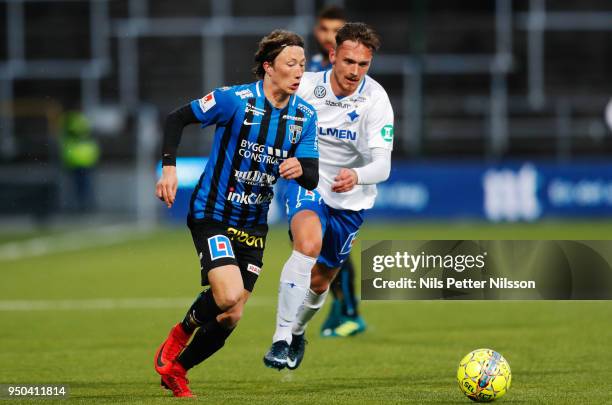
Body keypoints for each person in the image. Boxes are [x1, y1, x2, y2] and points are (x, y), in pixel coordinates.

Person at [153, 30, 319, 397]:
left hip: (253, 223)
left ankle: (178, 370)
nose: (298, 72)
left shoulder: (305, 116)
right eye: (290, 64)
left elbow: (312, 174)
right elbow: (176, 118)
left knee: (232, 314)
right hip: (212, 212)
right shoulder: (235, 100)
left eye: (303, 66)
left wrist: (299, 169)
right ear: (268, 67)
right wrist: (168, 167)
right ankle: (180, 332)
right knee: (227, 295)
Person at [263, 22, 394, 370]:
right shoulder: (304, 87)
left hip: (352, 199)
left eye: (363, 64)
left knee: (321, 280)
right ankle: (279, 339)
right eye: (348, 61)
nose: (354, 71)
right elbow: (268, 107)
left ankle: (298, 332)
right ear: (333, 55)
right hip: (308, 182)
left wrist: (357, 176)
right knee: (307, 245)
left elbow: (383, 165)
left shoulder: (376, 100)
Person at [308, 5, 368, 338]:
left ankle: (349, 311)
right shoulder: (308, 70)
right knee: (318, 246)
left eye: (336, 30)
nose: (329, 35)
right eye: (324, 29)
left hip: (342, 177)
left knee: (332, 247)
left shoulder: (353, 72)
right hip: (311, 172)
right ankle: (340, 309)